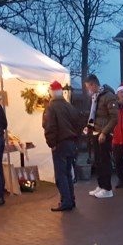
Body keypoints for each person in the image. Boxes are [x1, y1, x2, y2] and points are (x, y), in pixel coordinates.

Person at [43, 81, 84, 212]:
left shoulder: (51, 108)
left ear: (51, 92)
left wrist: (52, 143)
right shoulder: (69, 107)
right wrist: (75, 139)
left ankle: (66, 201)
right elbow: (79, 124)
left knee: (61, 175)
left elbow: (50, 127)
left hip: (60, 144)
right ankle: (70, 199)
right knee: (67, 173)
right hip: (71, 143)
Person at [84, 74, 118, 199]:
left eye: (89, 87)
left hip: (104, 133)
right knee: (98, 160)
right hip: (95, 132)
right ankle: (101, 185)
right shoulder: (95, 97)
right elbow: (94, 114)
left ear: (94, 84)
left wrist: (104, 132)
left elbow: (114, 118)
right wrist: (89, 126)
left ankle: (107, 188)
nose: (88, 90)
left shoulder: (108, 96)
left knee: (105, 161)